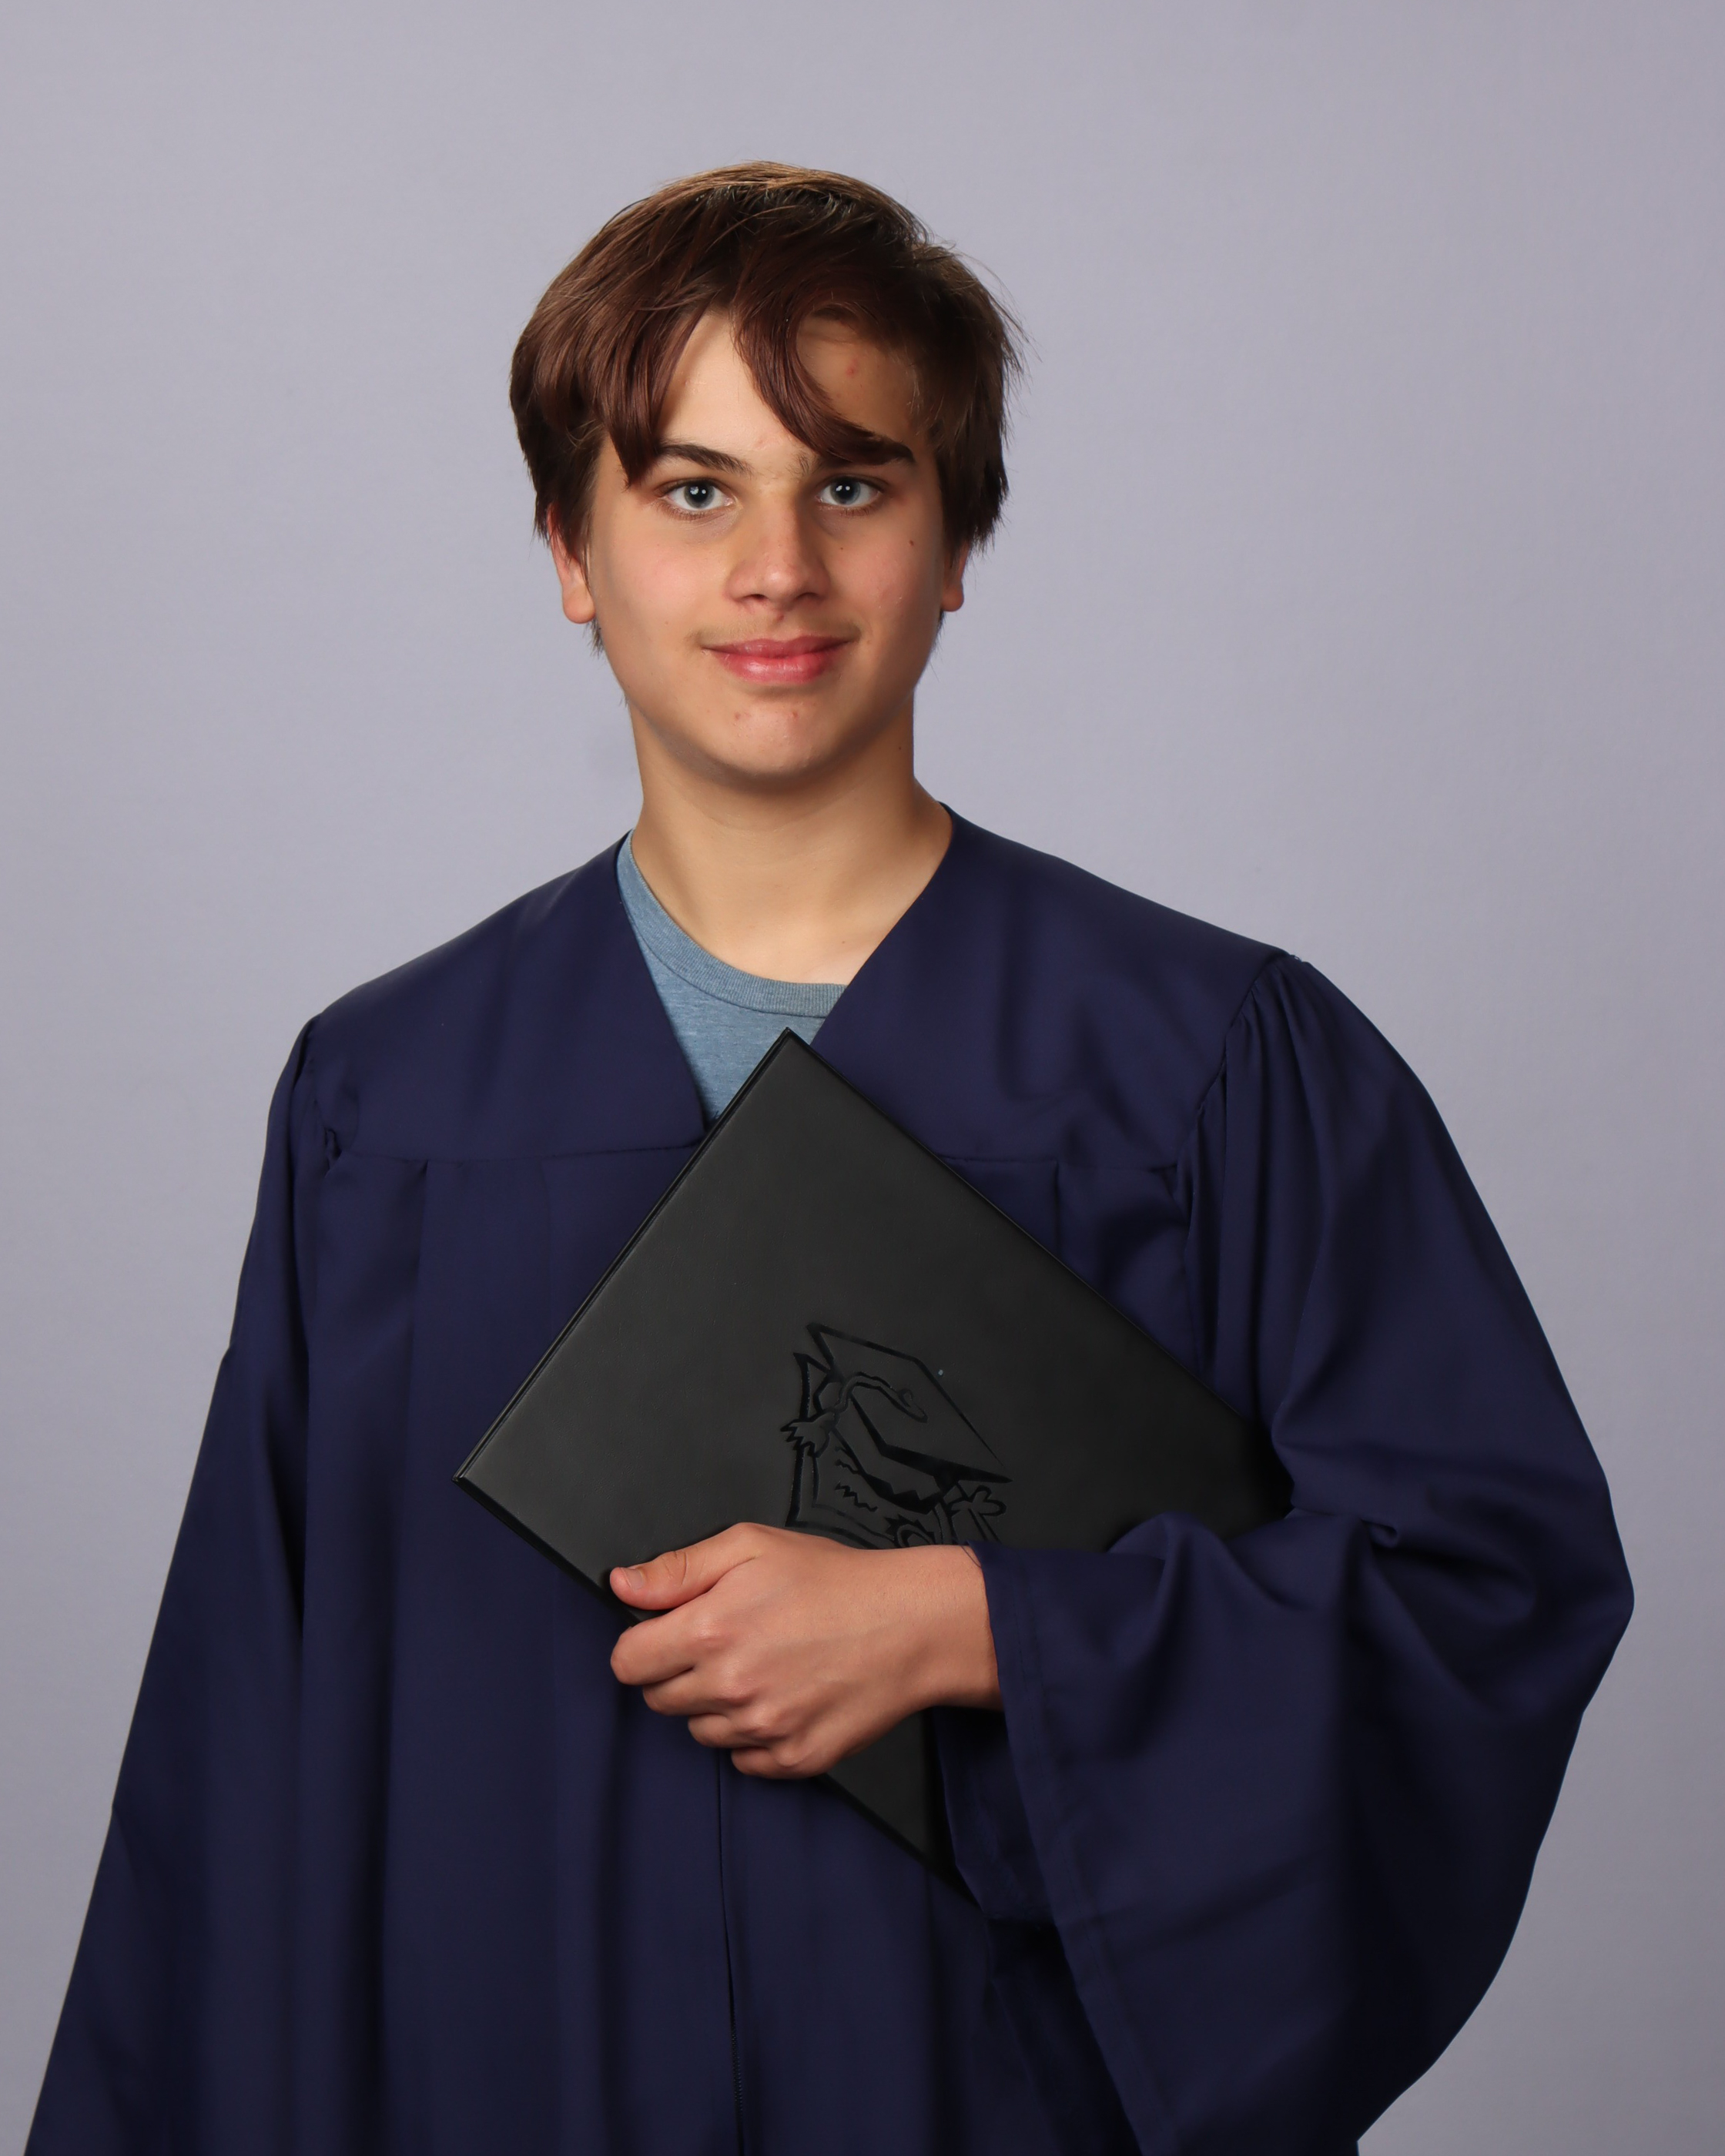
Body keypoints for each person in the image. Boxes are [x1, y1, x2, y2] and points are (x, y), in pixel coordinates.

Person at [28, 163, 1631, 2156]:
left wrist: (979, 1626)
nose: (778, 567)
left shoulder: (1208, 1066)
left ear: (955, 545)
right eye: (694, 491)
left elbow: (1484, 1593)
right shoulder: (391, 1104)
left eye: (854, 484)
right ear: (571, 550)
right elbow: (238, 1763)